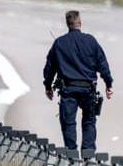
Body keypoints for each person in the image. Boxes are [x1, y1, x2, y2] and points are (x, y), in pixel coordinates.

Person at [43, 10, 114, 155]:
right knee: (89, 122)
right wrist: (108, 84)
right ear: (80, 23)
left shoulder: (59, 43)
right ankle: (88, 156)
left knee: (68, 123)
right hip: (88, 90)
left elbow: (50, 68)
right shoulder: (91, 41)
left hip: (68, 90)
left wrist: (48, 86)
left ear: (67, 24)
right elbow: (103, 64)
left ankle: (71, 156)